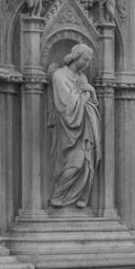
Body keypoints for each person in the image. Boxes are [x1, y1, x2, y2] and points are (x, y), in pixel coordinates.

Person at [49, 44, 101, 209]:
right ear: (76, 56)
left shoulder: (82, 77)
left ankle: (80, 195)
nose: (87, 63)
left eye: (89, 60)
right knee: (74, 164)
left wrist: (91, 91)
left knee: (85, 162)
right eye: (85, 59)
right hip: (68, 128)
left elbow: (91, 102)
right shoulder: (59, 76)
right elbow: (66, 106)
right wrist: (84, 95)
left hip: (86, 128)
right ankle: (58, 195)